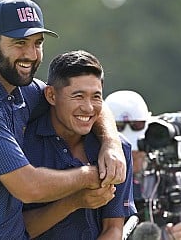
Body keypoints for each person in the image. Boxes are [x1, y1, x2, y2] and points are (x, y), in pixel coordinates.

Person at [0, 0, 126, 239]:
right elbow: (29, 187)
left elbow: (87, 104)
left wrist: (112, 145)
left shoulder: (21, 90)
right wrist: (94, 174)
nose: (31, 54)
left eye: (37, 43)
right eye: (20, 42)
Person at [22, 50, 137, 239]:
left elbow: (113, 229)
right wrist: (73, 201)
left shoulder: (117, 152)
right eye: (78, 96)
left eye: (96, 96)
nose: (89, 107)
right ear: (51, 95)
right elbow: (14, 230)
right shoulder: (23, 146)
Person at [106, 90, 181, 240]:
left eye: (137, 151)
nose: (132, 158)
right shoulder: (97, 183)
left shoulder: (172, 181)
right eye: (124, 153)